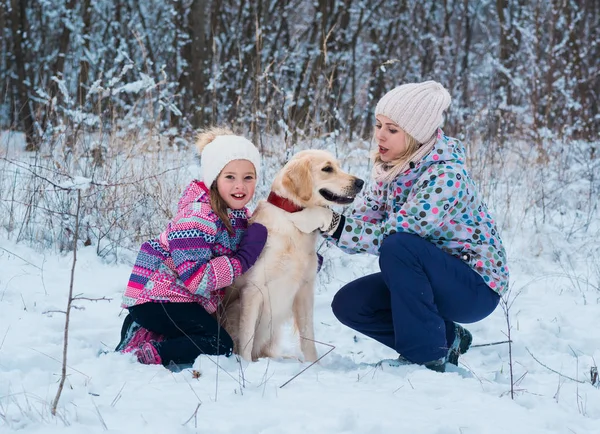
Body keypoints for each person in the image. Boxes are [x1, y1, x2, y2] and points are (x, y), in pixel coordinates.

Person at [289, 81, 509, 372]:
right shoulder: (390, 171)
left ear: (416, 135)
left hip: (474, 287)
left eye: (392, 129)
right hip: (430, 277)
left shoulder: (446, 176)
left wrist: (332, 224)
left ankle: (425, 357)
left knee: (398, 245)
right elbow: (360, 224)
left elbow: (391, 237)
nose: (380, 135)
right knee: (350, 304)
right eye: (379, 125)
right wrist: (320, 212)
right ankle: (446, 338)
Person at [115, 128, 268, 368]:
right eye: (230, 177)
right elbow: (196, 279)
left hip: (176, 300)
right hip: (157, 300)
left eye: (248, 177)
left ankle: (143, 330)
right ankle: (155, 352)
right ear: (213, 178)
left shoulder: (236, 214)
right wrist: (242, 260)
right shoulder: (197, 217)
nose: (240, 185)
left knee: (205, 332)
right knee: (219, 344)